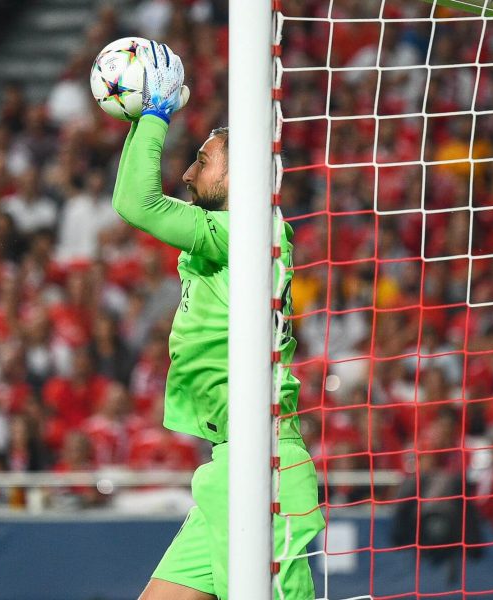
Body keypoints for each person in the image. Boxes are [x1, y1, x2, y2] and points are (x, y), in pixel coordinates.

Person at [111, 41, 324, 600]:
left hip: (265, 462)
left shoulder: (252, 232)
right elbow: (137, 200)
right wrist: (142, 119)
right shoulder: (231, 239)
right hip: (233, 463)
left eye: (202, 161)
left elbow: (137, 204)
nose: (185, 175)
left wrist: (154, 115)